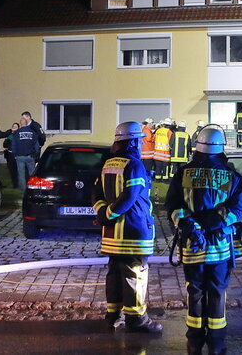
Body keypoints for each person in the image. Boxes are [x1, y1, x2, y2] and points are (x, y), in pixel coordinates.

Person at [166, 127, 242, 355]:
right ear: (222, 148)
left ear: (197, 147)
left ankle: (194, 343)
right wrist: (212, 223)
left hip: (192, 246)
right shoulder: (231, 176)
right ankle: (217, 344)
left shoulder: (183, 173)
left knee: (195, 292)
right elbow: (237, 210)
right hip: (221, 248)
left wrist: (190, 225)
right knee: (218, 293)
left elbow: (172, 206)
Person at [92, 121, 163, 334]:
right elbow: (130, 197)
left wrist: (103, 215)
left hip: (112, 234)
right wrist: (109, 215)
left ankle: (113, 315)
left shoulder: (107, 164)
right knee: (135, 275)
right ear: (132, 142)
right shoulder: (134, 165)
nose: (142, 144)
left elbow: (95, 194)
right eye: (140, 141)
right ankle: (137, 320)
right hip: (133, 232)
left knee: (114, 273)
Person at [12, 118, 40, 191]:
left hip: (20, 156)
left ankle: (23, 191)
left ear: (20, 124)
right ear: (26, 123)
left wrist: (14, 154)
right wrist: (36, 153)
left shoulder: (17, 133)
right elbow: (37, 145)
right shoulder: (32, 132)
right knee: (32, 174)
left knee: (21, 175)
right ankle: (33, 189)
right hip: (30, 156)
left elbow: (14, 145)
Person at [2, 122, 20, 188]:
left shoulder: (19, 135)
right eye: (13, 126)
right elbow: (4, 145)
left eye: (16, 127)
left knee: (17, 170)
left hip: (17, 154)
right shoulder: (9, 135)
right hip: (10, 154)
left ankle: (18, 183)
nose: (14, 128)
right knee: (11, 170)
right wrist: (7, 141)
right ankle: (14, 184)